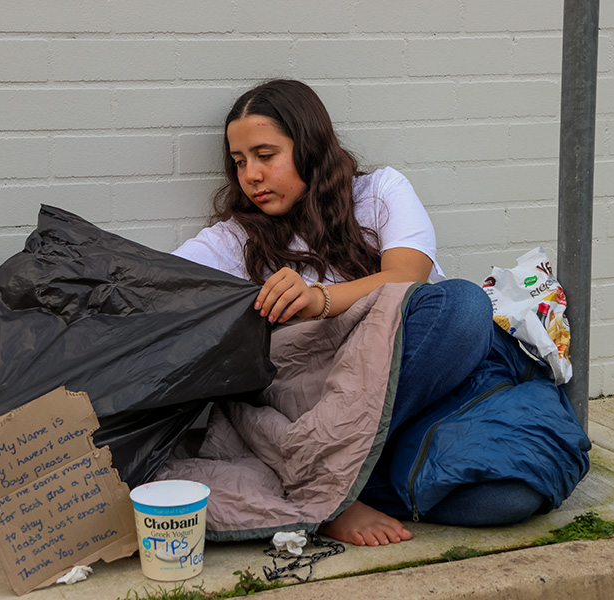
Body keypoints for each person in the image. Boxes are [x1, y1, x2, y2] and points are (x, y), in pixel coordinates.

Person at [173, 79, 546, 547]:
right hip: (320, 409)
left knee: (508, 493)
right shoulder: (233, 241)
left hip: (408, 391)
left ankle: (340, 484)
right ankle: (334, 494)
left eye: (266, 156)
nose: (251, 175)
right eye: (239, 162)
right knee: (465, 310)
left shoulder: (378, 192)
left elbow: (407, 275)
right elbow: (160, 285)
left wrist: (317, 300)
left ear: (308, 146)